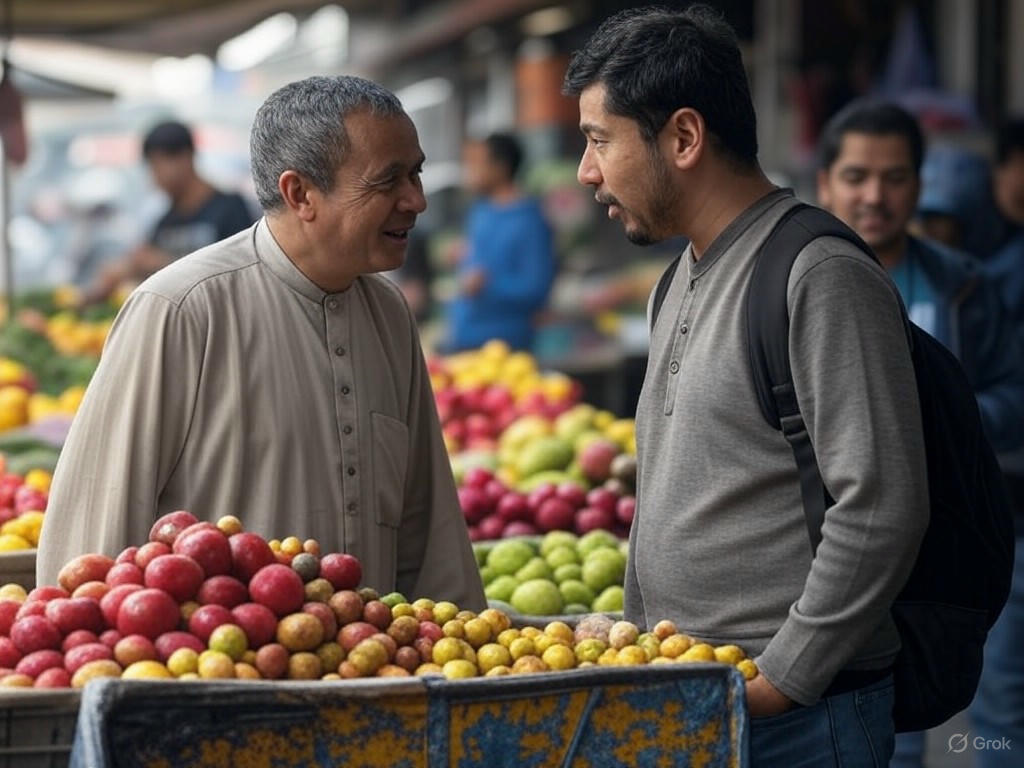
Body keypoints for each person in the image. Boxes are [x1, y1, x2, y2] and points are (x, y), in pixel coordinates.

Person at [564, 6, 928, 764]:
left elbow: (882, 504)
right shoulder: (679, 278)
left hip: (799, 721)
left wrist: (781, 681)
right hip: (695, 698)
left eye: (600, 141)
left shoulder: (817, 276)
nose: (586, 171)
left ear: (684, 138)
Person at [37, 76, 485, 610]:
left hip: (374, 678)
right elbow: (89, 549)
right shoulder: (182, 309)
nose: (417, 200)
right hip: (218, 682)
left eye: (415, 173)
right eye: (388, 181)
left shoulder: (390, 316)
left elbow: (426, 533)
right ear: (301, 194)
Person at [815, 101, 1024, 768]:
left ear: (919, 182)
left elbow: (1014, 392)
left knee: (996, 706)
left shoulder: (964, 285)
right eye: (856, 176)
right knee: (874, 719)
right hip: (840, 542)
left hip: (958, 534)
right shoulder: (797, 286)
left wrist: (946, 424)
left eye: (895, 177)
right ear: (825, 184)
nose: (874, 195)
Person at [83, 120, 254, 304]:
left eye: (157, 166)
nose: (154, 178)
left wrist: (161, 263)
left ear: (185, 157)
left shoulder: (230, 209)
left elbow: (242, 276)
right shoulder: (165, 222)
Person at [446, 133, 555, 352]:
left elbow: (536, 288)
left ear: (501, 167)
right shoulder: (480, 212)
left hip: (505, 346)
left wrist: (487, 285)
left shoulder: (530, 221)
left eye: (477, 162)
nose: (469, 170)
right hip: (463, 338)